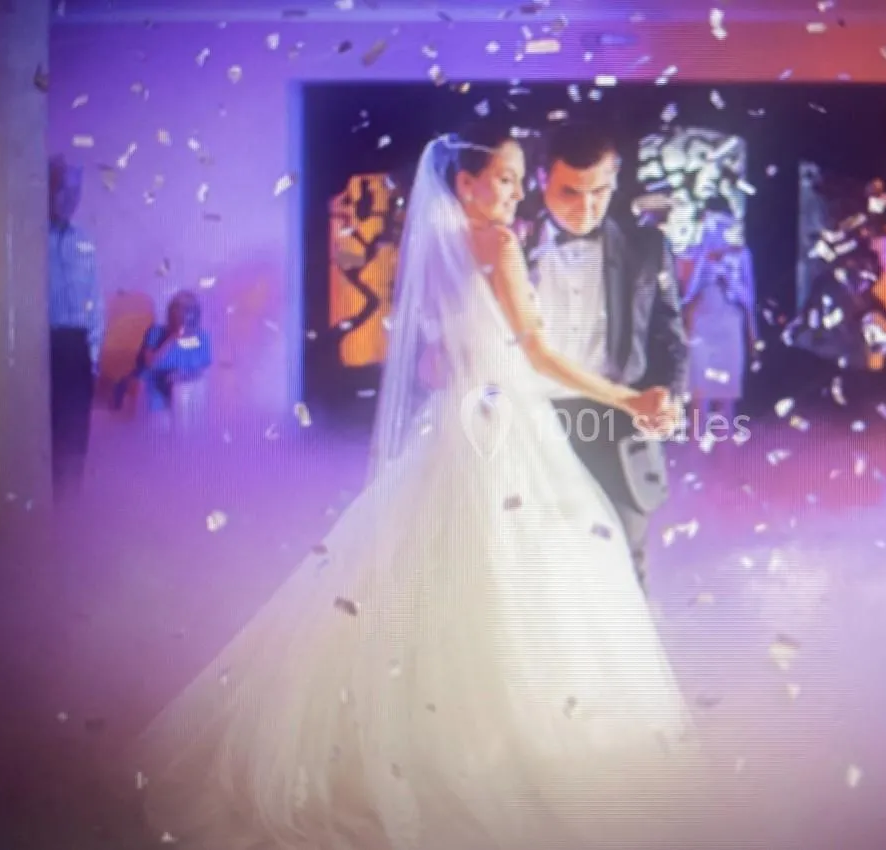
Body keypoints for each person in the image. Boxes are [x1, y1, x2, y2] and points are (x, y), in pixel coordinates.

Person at [131, 123, 708, 850]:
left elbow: (437, 358)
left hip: (464, 427)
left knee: (451, 575)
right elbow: (534, 352)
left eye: (518, 179)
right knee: (520, 579)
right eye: (506, 179)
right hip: (509, 428)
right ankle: (509, 746)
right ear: (467, 183)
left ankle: (452, 731)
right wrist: (624, 397)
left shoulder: (436, 245)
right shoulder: (502, 243)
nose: (516, 192)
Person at [517, 120, 689, 591]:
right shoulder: (511, 245)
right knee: (534, 577)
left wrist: (670, 398)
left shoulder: (646, 247)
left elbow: (670, 337)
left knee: (624, 577)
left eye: (599, 192)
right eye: (570, 192)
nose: (586, 207)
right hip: (528, 426)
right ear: (541, 179)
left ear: (615, 180)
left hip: (616, 427)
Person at [47, 155, 104, 502]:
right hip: (41, 345)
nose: (71, 199)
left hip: (77, 347)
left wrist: (93, 356)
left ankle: (70, 509)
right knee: (43, 436)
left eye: (77, 192)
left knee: (74, 438)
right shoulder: (29, 238)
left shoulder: (85, 240)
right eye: (63, 190)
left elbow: (95, 300)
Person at [681, 199, 759, 439]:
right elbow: (686, 295)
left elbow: (749, 298)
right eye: (711, 222)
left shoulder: (740, 254)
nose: (717, 228)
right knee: (699, 396)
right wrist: (704, 260)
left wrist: (729, 277)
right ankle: (695, 451)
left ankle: (725, 453)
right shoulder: (694, 252)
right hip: (701, 327)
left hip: (729, 327)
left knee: (726, 396)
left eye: (722, 222)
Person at [114, 291, 213, 425]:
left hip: (185, 391)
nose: (184, 319)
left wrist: (182, 375)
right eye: (179, 313)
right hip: (152, 389)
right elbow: (150, 362)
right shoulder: (157, 332)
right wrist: (172, 339)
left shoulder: (202, 338)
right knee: (158, 422)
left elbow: (203, 366)